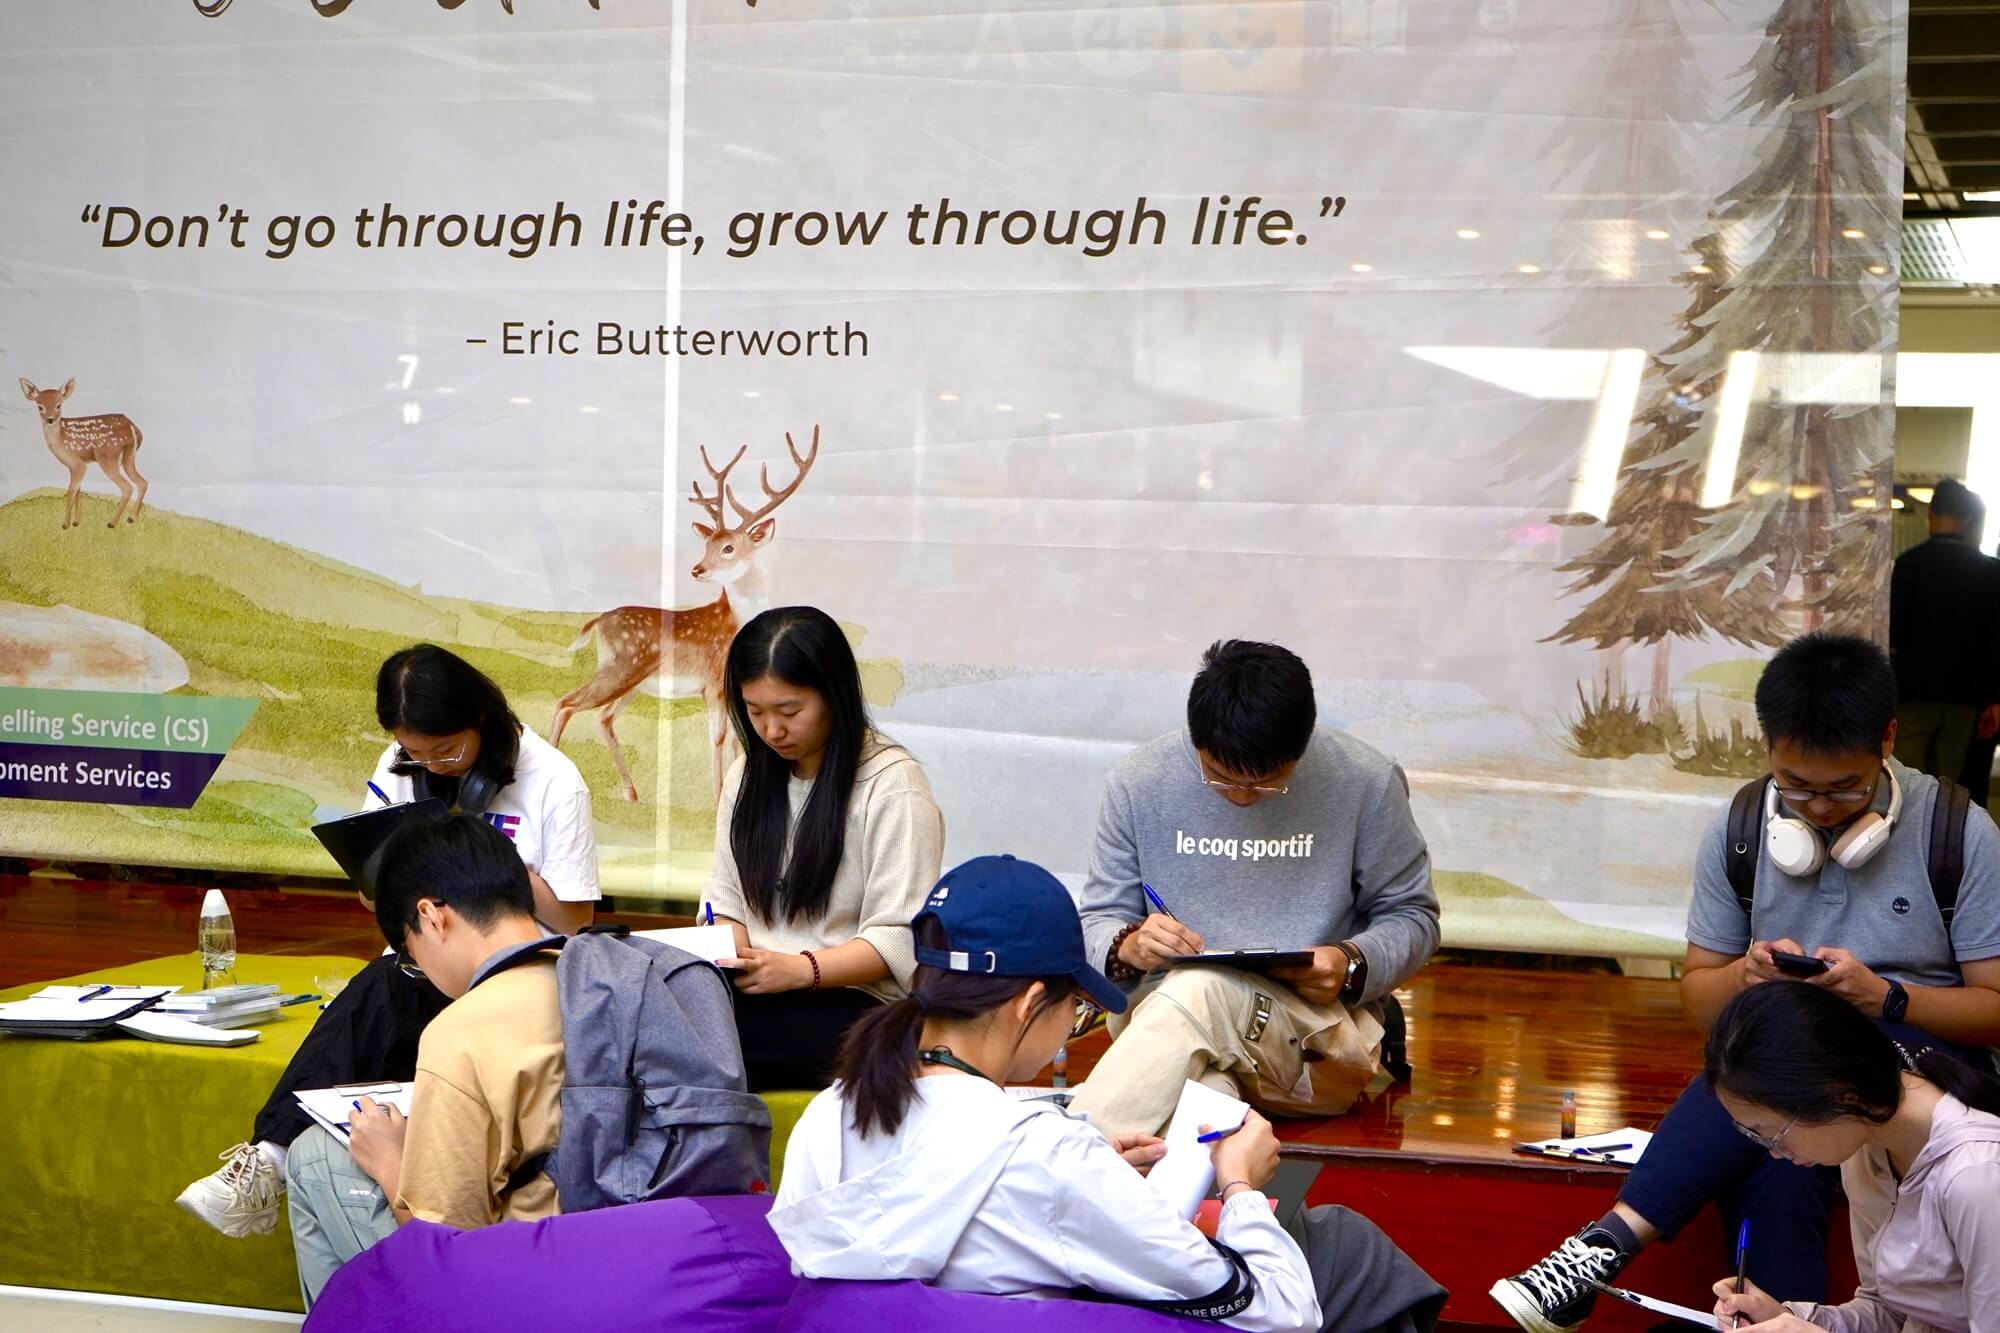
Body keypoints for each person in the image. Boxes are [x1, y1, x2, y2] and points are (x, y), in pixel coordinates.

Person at [1491, 632, 2000, 1333]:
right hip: (1796, 1075)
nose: (1818, 808)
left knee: (1785, 1091)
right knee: (1780, 1153)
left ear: (1888, 739)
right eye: (1795, 786)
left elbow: (1993, 1010)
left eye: (1844, 788)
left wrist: (1886, 996)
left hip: (1923, 1065)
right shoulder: (1739, 829)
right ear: (1767, 747)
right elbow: (1702, 1001)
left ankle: (1609, 1240)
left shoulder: (1957, 832)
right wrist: (1745, 974)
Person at [769, 853, 1447, 1333]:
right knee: (1349, 1255)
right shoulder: (1050, 1156)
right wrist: (1240, 1185)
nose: (1076, 1021)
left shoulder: (831, 1112)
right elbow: (1279, 1309)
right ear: (1030, 1003)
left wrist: (1092, 1170)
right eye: (1076, 1006)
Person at [177, 644, 598, 1237]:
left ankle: (268, 1157)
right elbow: (373, 897)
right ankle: (272, 1159)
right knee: (388, 984)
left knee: (379, 989)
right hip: (423, 956)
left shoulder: (554, 780)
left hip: (517, 973)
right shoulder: (401, 766)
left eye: (446, 750)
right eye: (415, 753)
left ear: (481, 719)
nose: (434, 765)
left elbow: (575, 920)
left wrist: (489, 867)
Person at [1070, 639, 1440, 1138]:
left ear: (1302, 747)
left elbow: (1414, 916)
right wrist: (1129, 946)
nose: (1243, 798)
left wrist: (1351, 962)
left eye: (1268, 783)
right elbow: (1097, 921)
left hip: (1314, 1041)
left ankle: (1063, 1157)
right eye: (1219, 778)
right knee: (1203, 1108)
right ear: (1196, 740)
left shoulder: (1366, 782)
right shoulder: (1140, 781)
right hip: (1171, 1037)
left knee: (1200, 990)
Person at [286, 814, 567, 1307]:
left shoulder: (460, 1030)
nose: (419, 969)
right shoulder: (617, 978)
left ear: (432, 917)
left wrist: (391, 1163)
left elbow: (444, 1243)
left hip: (530, 1289)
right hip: (652, 1263)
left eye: (410, 952)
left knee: (312, 1155)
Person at [706, 605, 946, 1091]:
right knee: (654, 1022)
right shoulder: (746, 774)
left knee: (707, 1045)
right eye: (755, 712)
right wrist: (733, 958)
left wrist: (799, 970)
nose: (772, 731)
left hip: (860, 1005)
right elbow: (724, 899)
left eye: (789, 711)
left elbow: (897, 940)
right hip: (763, 991)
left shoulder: (893, 785)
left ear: (833, 695)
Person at [1704, 980, 2000, 1333]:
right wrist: (1786, 1318)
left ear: (1839, 1096)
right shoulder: (1864, 1142)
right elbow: (1889, 1312)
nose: (1775, 1152)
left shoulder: (1977, 1175)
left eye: (1774, 1134)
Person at [1891, 478, 2000, 784]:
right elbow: (1995, 641)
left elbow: (1894, 631)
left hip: (1913, 692)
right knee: (1947, 782)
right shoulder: (1991, 572)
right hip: (1965, 697)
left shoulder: (1908, 565)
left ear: (1931, 515)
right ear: (1967, 520)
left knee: (1908, 781)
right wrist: (1994, 698)